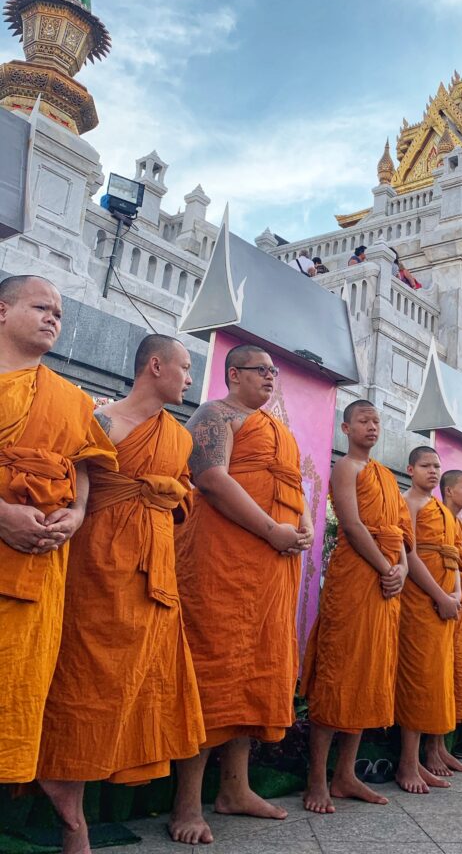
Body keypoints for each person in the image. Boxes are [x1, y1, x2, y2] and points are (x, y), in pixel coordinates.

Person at [37, 335, 206, 851]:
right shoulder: (101, 422)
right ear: (155, 366)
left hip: (155, 573)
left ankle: (95, 790)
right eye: (185, 368)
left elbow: (184, 497)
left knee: (141, 682)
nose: (190, 379)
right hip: (97, 566)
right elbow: (72, 485)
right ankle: (65, 795)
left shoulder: (177, 437)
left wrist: (168, 496)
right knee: (85, 680)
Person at [170, 344, 314, 844]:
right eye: (261, 371)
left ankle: (235, 788)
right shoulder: (215, 414)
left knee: (254, 669)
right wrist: (272, 528)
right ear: (234, 373)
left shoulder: (280, 431)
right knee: (214, 666)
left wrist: (305, 525)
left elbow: (294, 486)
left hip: (272, 568)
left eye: (275, 372)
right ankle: (186, 803)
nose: (271, 379)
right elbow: (210, 479)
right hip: (222, 560)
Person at [0, 275, 117, 848]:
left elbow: (84, 474)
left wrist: (74, 516)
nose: (52, 318)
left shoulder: (69, 400)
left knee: (14, 696)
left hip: (35, 572)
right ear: (2, 311)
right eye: (40, 306)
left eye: (60, 314)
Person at [301, 400, 412, 814]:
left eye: (377, 421)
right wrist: (387, 567)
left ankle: (345, 774)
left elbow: (400, 531)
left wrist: (399, 568)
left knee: (368, 672)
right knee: (340, 672)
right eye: (363, 420)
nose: (372, 427)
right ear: (346, 428)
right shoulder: (346, 468)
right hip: (356, 578)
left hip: (385, 582)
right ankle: (317, 779)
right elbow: (351, 524)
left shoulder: (386, 476)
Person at [394, 446, 460, 794]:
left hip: (446, 602)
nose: (433, 471)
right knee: (417, 679)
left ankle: (424, 756)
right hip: (421, 601)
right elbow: (410, 554)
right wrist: (439, 596)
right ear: (410, 469)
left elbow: (453, 556)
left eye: (437, 466)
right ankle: (407, 763)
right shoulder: (410, 503)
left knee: (436, 679)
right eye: (425, 466)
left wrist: (457, 594)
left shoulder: (443, 512)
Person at [421, 470, 462, 778]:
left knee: (457, 675)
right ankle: (432, 747)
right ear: (448, 490)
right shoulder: (437, 515)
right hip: (442, 599)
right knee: (442, 673)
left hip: (461, 600)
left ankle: (442, 745)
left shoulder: (459, 526)